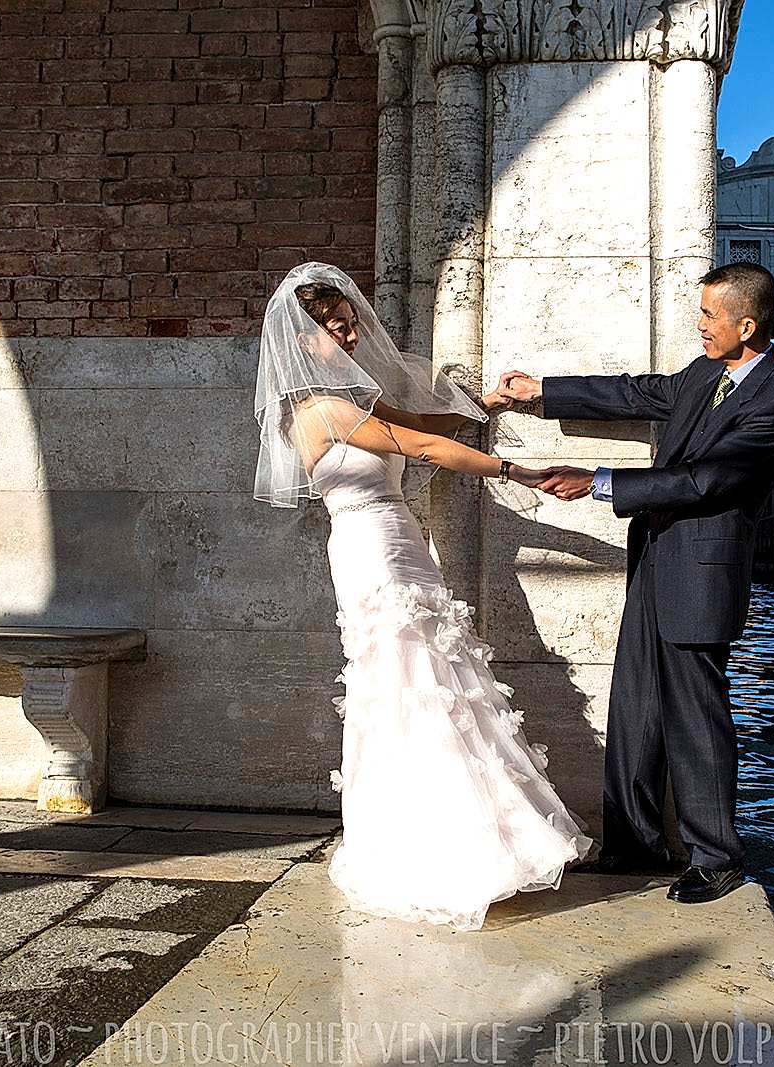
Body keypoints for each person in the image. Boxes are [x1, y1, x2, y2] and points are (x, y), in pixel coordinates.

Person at [253, 262, 594, 932]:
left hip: (395, 540)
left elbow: (426, 418)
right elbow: (421, 441)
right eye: (338, 330)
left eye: (353, 325)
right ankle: (435, 850)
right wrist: (518, 469)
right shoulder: (322, 411)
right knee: (407, 679)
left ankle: (471, 835)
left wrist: (490, 405)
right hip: (372, 549)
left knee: (432, 676)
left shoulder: (354, 403)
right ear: (305, 341)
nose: (352, 337)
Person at [496, 262, 774, 905]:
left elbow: (705, 481)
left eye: (709, 316)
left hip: (702, 578)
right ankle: (633, 845)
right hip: (656, 561)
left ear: (746, 325)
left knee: (695, 716)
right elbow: (639, 394)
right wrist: (540, 392)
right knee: (634, 706)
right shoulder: (704, 374)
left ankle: (717, 858)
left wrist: (598, 480)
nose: (699, 324)